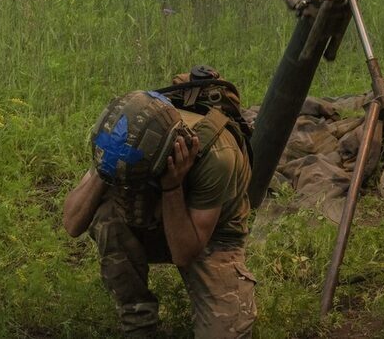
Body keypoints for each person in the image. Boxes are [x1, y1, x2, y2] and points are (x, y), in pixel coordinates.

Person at [62, 67, 255, 339]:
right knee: (105, 213)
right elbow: (72, 223)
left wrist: (172, 186)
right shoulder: (128, 139)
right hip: (152, 214)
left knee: (226, 333)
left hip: (211, 234)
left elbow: (185, 253)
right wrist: (106, 169)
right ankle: (138, 323)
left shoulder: (216, 156)